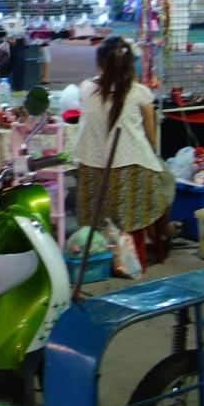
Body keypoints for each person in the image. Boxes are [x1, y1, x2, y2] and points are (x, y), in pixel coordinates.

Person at [73, 36, 170, 268]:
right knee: (167, 184)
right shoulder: (139, 93)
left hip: (92, 171)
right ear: (130, 64)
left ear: (99, 63)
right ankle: (160, 239)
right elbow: (151, 138)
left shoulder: (86, 89)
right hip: (133, 169)